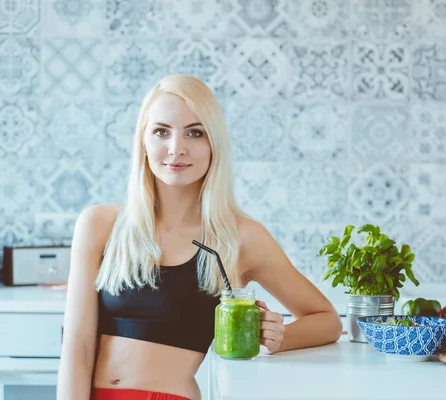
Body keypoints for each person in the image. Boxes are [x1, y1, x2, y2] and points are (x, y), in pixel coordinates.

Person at [56, 75, 343, 400]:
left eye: (195, 132)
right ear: (144, 143)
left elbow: (327, 320)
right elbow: (77, 345)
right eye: (161, 131)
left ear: (213, 144)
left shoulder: (240, 238)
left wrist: (278, 337)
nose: (176, 148)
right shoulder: (99, 224)